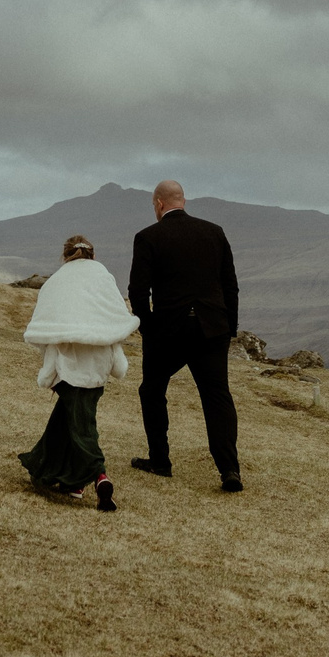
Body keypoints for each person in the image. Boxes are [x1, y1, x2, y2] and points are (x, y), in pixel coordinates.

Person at [127, 178, 242, 491]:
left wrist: (147, 326)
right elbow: (230, 285)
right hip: (211, 328)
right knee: (217, 397)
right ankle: (229, 470)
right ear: (183, 201)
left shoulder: (148, 237)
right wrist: (228, 327)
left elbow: (138, 290)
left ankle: (160, 462)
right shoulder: (214, 232)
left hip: (168, 331)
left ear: (159, 204)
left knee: (152, 391)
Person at [17, 234, 137, 511]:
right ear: (92, 255)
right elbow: (115, 315)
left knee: (82, 425)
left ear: (66, 255)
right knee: (72, 418)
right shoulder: (103, 278)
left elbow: (47, 325)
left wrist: (49, 368)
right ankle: (72, 481)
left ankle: (99, 475)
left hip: (68, 362)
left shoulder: (58, 281)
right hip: (98, 363)